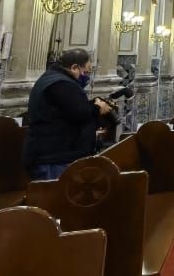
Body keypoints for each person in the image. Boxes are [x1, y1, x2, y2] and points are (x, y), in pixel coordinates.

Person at [23, 49, 112, 180]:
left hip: (55, 154)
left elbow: (67, 110)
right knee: (57, 197)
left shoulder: (55, 79)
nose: (86, 76)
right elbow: (80, 113)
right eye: (85, 72)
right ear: (74, 67)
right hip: (54, 158)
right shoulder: (61, 84)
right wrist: (97, 108)